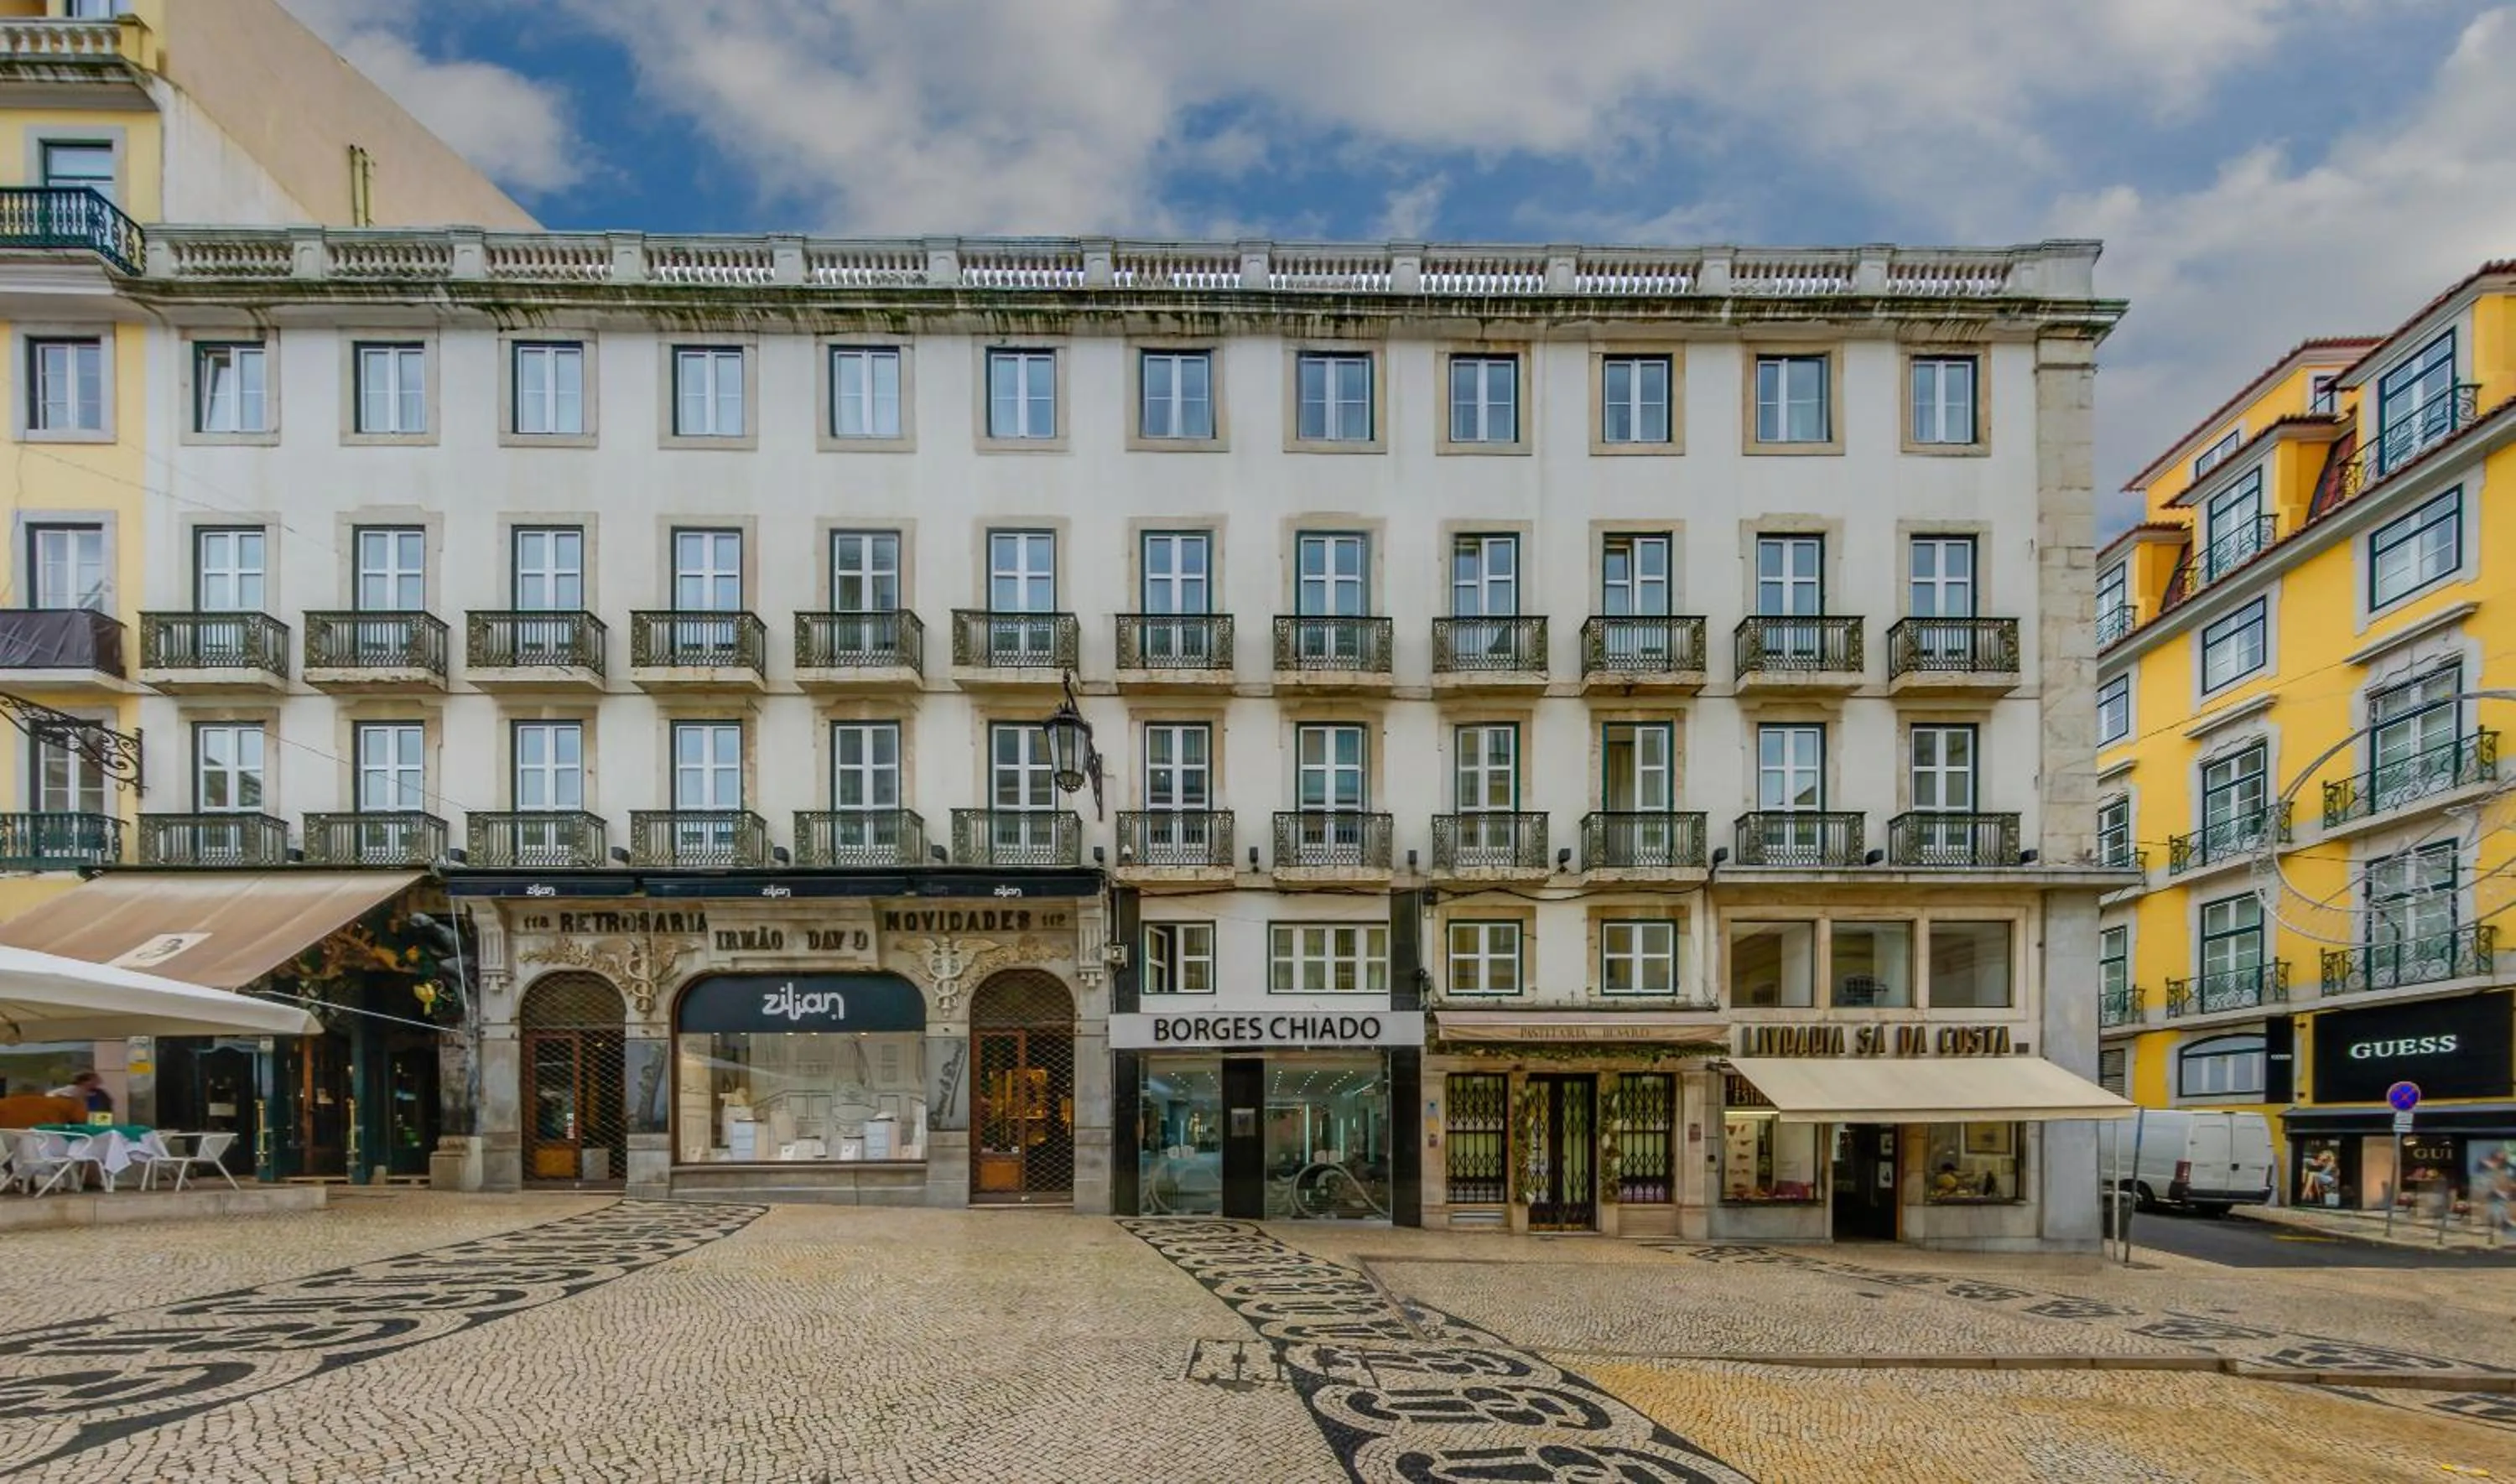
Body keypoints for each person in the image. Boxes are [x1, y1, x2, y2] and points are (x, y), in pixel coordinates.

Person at [47, 1071, 112, 1116]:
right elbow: (50, 1095)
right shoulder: (73, 1090)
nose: (99, 1081)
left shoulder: (99, 1093)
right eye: (95, 1080)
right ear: (86, 1082)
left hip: (97, 1117)